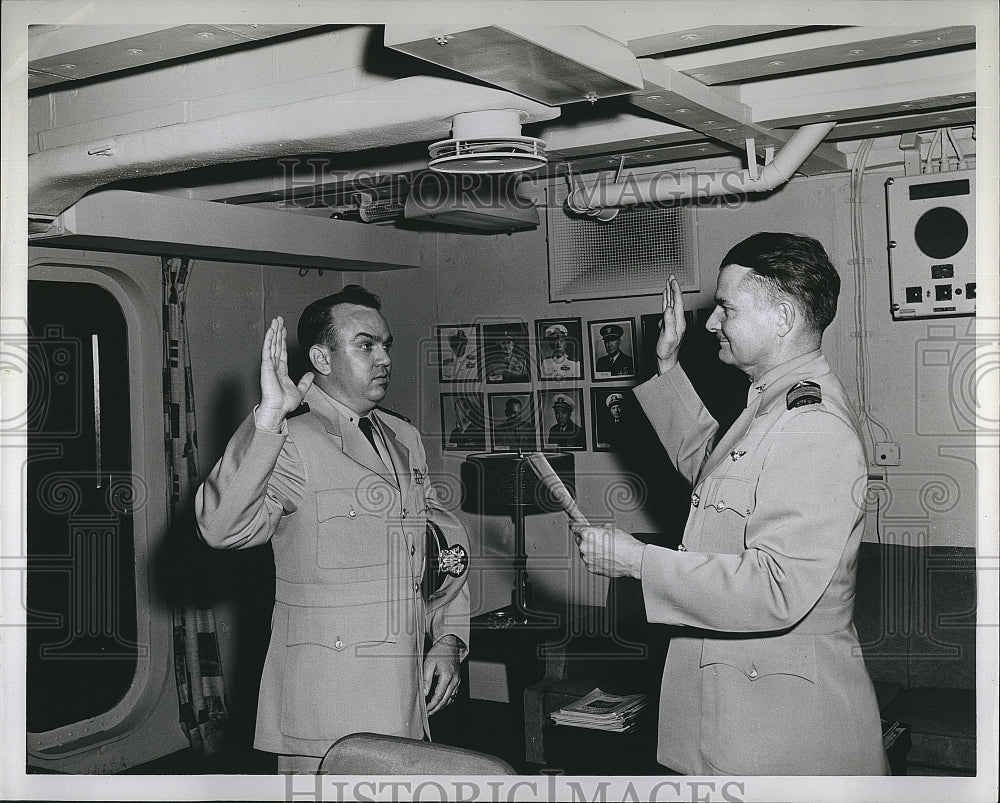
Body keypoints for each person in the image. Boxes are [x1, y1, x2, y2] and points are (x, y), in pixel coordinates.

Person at [572, 233, 889, 776]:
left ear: (783, 316)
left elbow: (776, 587)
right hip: (743, 711)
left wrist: (639, 562)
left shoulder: (813, 425)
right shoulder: (774, 402)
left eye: (727, 307)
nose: (712, 323)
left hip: (781, 732)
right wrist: (669, 371)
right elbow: (716, 475)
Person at [195, 285, 470, 774]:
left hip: (405, 695)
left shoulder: (402, 436)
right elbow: (220, 528)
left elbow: (440, 547)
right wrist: (270, 416)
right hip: (329, 707)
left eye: (386, 344)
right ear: (321, 357)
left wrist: (448, 638)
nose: (384, 357)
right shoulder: (291, 439)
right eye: (366, 345)